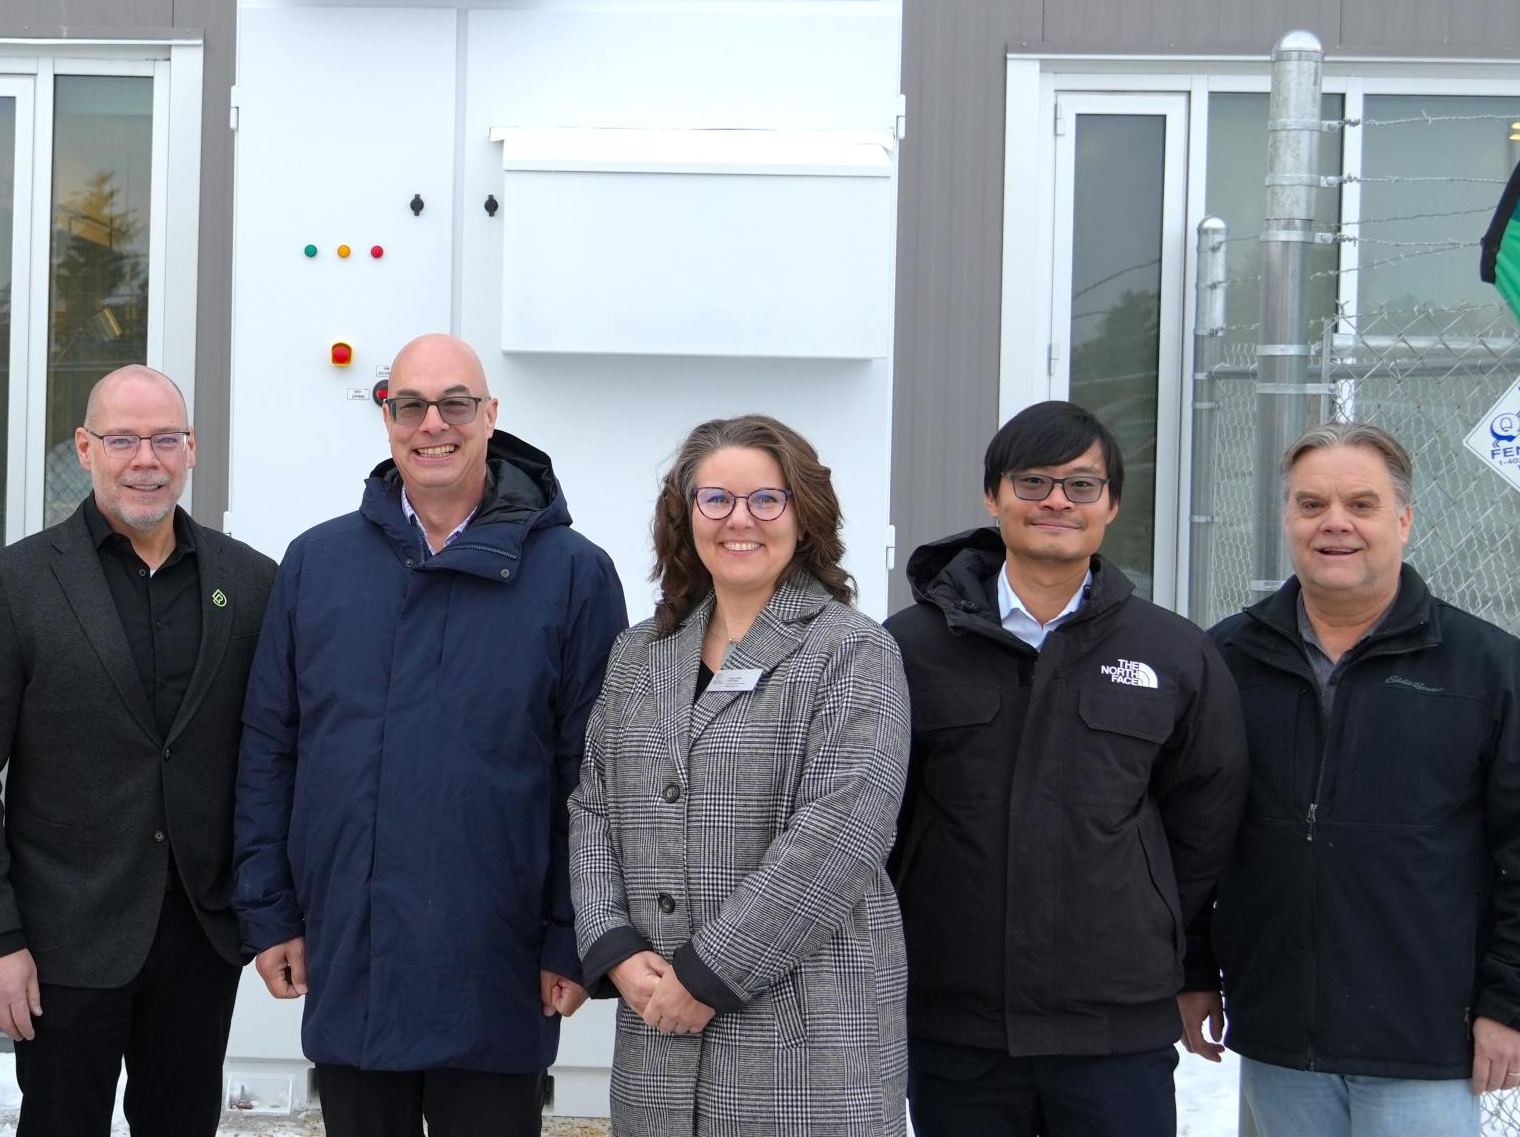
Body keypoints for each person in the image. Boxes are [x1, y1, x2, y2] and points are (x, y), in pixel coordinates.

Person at [234, 333, 627, 1137]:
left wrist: (571, 936)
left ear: (490, 416)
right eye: (409, 405)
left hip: (500, 963)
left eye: (455, 403)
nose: (431, 424)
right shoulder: (317, 564)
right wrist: (269, 911)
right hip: (352, 951)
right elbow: (270, 749)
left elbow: (592, 780)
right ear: (387, 418)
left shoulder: (574, 574)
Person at [1192, 422, 1520, 1137]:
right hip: (1281, 1040)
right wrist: (1192, 970)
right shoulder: (1225, 658)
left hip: (1426, 1045)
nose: (1335, 523)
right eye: (1311, 504)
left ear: (1404, 520)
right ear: (1287, 520)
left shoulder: (1484, 666)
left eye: (1362, 503)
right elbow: (1190, 833)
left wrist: (1515, 1004)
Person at [884, 400, 1246, 1137]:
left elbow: (1204, 818)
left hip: (1115, 1027)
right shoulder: (908, 648)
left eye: (1081, 485)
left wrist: (1148, 918)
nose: (1056, 500)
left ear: (1111, 504)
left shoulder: (1173, 652)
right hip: (957, 1021)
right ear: (993, 497)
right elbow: (877, 816)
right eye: (1033, 481)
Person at [0, 366, 276, 1136]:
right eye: (122, 439)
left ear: (191, 449)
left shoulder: (250, 584)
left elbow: (270, 757)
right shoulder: (15, 584)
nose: (143, 458)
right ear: (85, 449)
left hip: (200, 932)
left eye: (163, 439)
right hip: (61, 939)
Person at [569, 414, 910, 1135]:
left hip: (802, 1044)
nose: (739, 519)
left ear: (804, 513)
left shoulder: (853, 651)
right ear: (686, 513)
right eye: (716, 498)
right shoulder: (639, 653)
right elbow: (593, 804)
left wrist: (708, 973)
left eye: (767, 499)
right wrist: (616, 947)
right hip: (656, 1032)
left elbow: (840, 834)